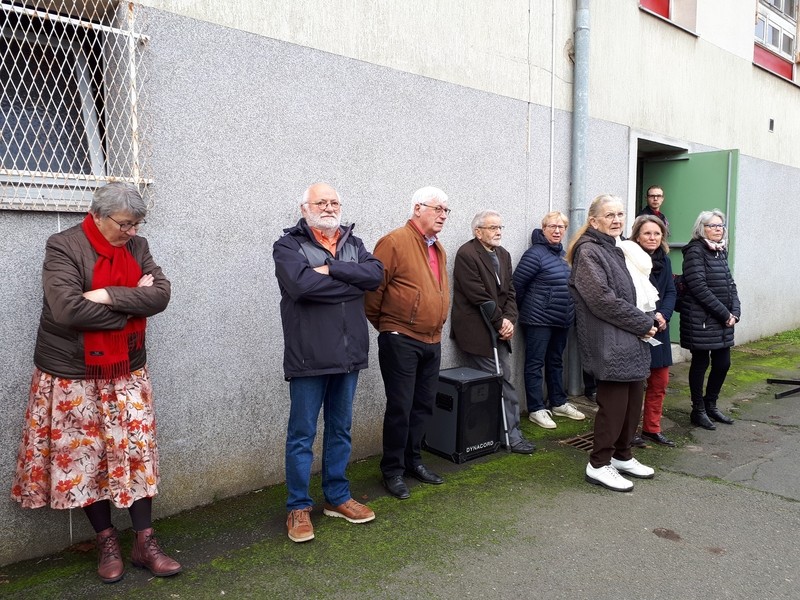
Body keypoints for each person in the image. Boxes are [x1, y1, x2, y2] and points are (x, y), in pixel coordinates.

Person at [10, 182, 180, 583]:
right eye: (125, 224)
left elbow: (161, 295)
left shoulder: (138, 247)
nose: (132, 232)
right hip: (72, 375)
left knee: (136, 454)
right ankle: (106, 540)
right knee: (86, 458)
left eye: (137, 224)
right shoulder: (63, 245)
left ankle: (145, 541)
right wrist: (129, 308)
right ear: (98, 216)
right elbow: (67, 308)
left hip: (127, 369)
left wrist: (103, 294)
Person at [273, 183, 383, 542]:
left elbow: (374, 277)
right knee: (302, 434)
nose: (329, 206)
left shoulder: (354, 243)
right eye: (321, 201)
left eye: (335, 201)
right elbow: (300, 287)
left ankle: (337, 497)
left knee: (341, 429)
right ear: (304, 208)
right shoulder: (288, 245)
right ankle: (298, 507)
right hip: (309, 356)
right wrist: (348, 276)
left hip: (349, 355)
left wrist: (329, 269)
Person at [567, 194, 658, 492]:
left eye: (620, 214)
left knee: (633, 402)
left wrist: (649, 318)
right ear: (594, 221)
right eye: (609, 215)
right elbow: (602, 300)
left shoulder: (617, 248)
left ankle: (622, 455)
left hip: (629, 336)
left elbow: (631, 293)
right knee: (614, 406)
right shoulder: (589, 251)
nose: (617, 220)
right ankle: (598, 464)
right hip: (609, 340)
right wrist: (643, 322)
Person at [365, 186, 451, 500]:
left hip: (432, 339)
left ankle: (414, 461)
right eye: (437, 209)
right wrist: (390, 327)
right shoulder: (394, 242)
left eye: (446, 210)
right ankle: (392, 470)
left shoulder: (437, 247)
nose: (443, 215)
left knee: (423, 405)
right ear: (417, 208)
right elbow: (373, 292)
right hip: (401, 339)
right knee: (400, 407)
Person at [450, 210, 535, 454]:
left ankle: (503, 432)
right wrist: (500, 323)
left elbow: (509, 291)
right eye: (492, 228)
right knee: (501, 379)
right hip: (478, 331)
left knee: (500, 380)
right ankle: (511, 435)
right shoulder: (467, 254)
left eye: (500, 227)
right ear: (478, 232)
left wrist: (509, 319)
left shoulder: (503, 254)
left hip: (499, 327)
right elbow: (478, 295)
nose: (498, 232)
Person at [513, 211, 585, 429]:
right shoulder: (534, 254)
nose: (557, 231)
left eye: (561, 227)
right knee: (535, 363)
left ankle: (558, 402)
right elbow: (517, 286)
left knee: (555, 362)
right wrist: (533, 308)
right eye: (552, 226)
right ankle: (536, 408)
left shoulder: (564, 255)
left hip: (562, 319)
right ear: (543, 229)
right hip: (538, 320)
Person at [679, 209, 740, 430]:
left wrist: (736, 311)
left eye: (720, 225)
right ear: (701, 228)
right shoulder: (695, 251)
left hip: (722, 319)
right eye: (713, 226)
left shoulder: (719, 251)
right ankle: (698, 409)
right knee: (701, 363)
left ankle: (711, 404)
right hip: (702, 319)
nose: (718, 229)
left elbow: (730, 283)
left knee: (723, 363)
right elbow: (699, 287)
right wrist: (725, 314)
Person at [631, 215, 677, 447]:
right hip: (638, 327)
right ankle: (628, 432)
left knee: (660, 382)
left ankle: (652, 428)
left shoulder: (665, 260)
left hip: (660, 327)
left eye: (657, 233)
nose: (652, 237)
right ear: (637, 236)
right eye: (647, 233)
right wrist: (648, 317)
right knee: (635, 385)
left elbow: (670, 291)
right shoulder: (628, 258)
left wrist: (664, 314)